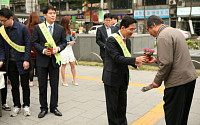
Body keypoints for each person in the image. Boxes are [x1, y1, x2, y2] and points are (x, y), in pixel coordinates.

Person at [146, 15, 198, 125]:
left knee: (173, 118)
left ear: (154, 25)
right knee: (182, 115)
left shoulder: (163, 36)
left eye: (148, 29)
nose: (150, 33)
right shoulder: (175, 31)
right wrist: (156, 60)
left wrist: (157, 81)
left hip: (177, 82)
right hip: (189, 78)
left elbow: (166, 63)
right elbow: (174, 57)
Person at [102, 16, 146, 125]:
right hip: (112, 78)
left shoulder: (128, 41)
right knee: (112, 106)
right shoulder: (112, 40)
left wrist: (136, 63)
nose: (133, 32)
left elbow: (126, 58)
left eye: (134, 29)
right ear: (122, 27)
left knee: (122, 104)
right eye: (131, 29)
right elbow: (116, 58)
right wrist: (134, 59)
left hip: (123, 77)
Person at [32, 6, 67, 118]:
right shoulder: (38, 28)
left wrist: (58, 48)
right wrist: (43, 50)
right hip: (42, 61)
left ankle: (54, 107)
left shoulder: (60, 28)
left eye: (54, 13)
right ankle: (43, 108)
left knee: (54, 85)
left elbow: (64, 42)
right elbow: (35, 42)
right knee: (42, 86)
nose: (53, 15)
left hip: (55, 61)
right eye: (51, 13)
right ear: (45, 15)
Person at [0, 8, 32, 117]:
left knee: (25, 85)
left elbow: (28, 44)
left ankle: (26, 105)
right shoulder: (2, 30)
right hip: (10, 63)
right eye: (1, 21)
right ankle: (16, 105)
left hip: (23, 62)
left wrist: (27, 59)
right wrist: (2, 59)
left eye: (4, 21)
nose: (2, 23)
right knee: (14, 85)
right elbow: (2, 47)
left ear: (11, 18)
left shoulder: (22, 28)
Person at [60, 16, 78, 87]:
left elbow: (73, 39)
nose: (70, 22)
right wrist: (68, 43)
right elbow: (60, 41)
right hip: (63, 48)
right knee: (63, 64)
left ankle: (74, 79)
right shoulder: (61, 30)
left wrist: (74, 37)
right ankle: (64, 80)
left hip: (69, 48)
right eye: (69, 21)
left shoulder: (69, 30)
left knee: (72, 64)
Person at [26, 12, 40, 87]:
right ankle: (38, 81)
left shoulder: (27, 27)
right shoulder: (40, 27)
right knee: (38, 66)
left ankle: (31, 81)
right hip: (38, 50)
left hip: (30, 49)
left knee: (31, 66)